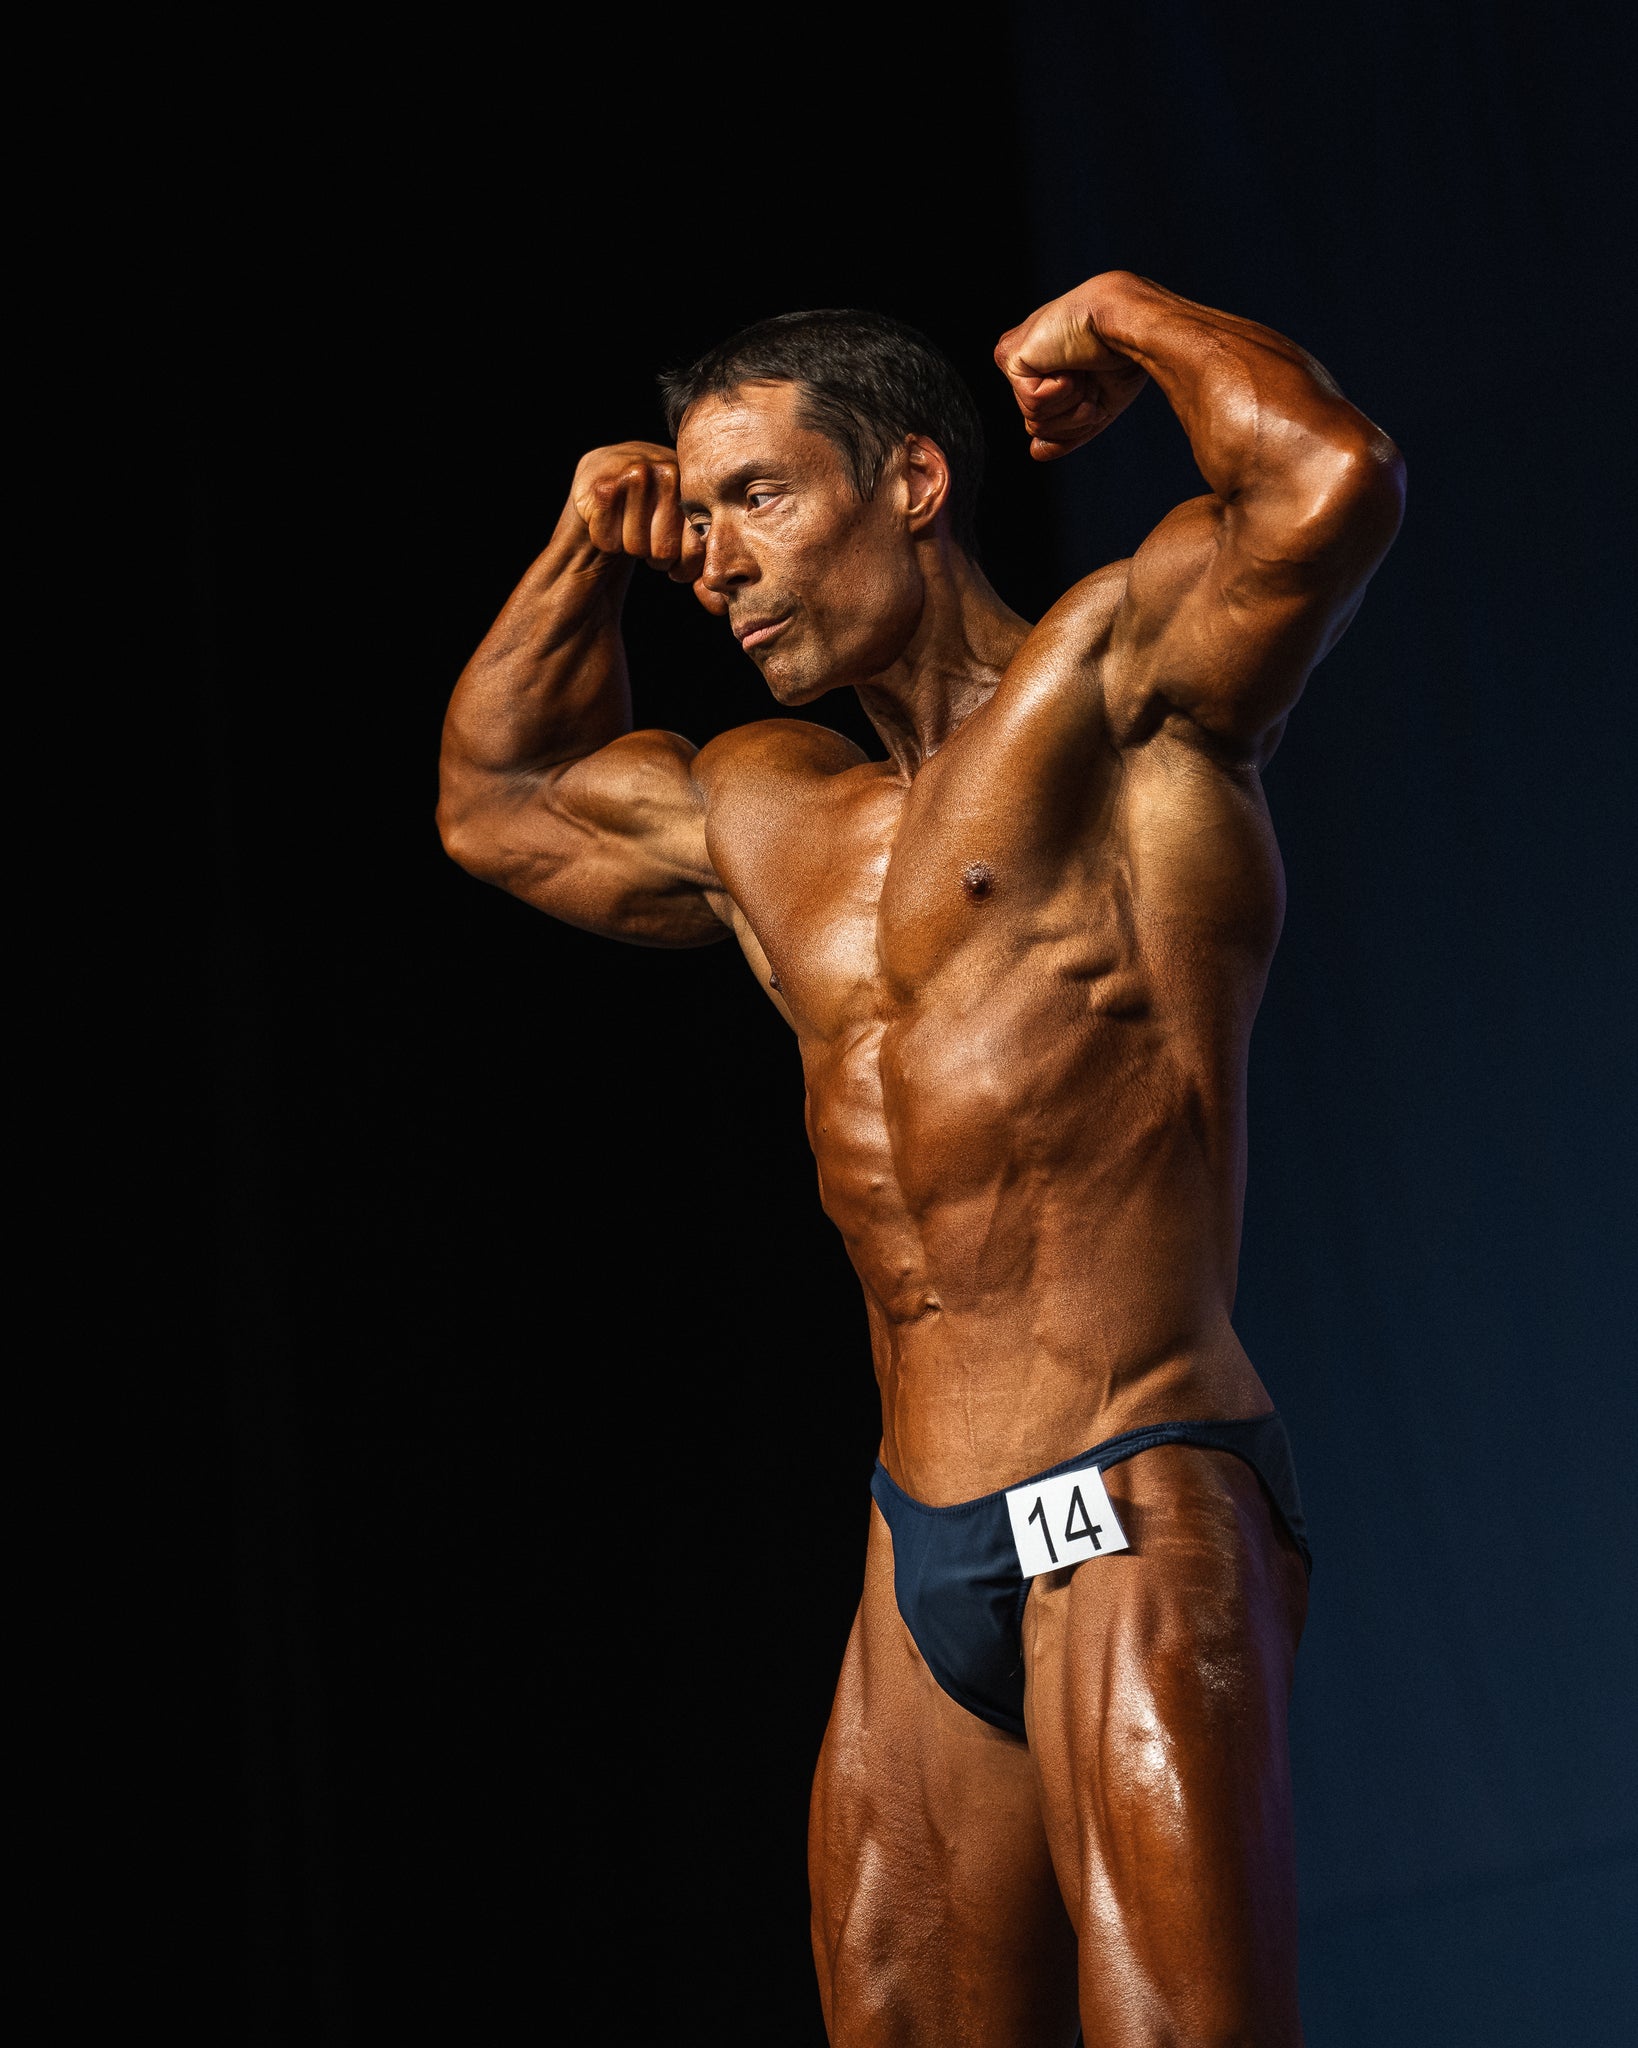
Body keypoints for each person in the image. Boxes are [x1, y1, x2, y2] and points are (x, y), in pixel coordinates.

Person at [438, 272, 1404, 2045]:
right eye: (697, 517)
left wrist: (1126, 317)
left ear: (912, 481)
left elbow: (1325, 478)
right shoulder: (766, 810)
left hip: (1128, 1487)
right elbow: (498, 801)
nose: (715, 562)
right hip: (915, 1550)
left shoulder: (1116, 690)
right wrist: (584, 544)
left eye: (757, 497)